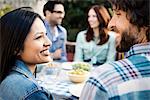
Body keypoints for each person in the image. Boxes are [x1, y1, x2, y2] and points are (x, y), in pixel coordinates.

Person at [80, 0, 150, 100]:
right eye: (89, 16)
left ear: (144, 20)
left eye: (118, 14)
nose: (110, 24)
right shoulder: (81, 36)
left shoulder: (103, 81)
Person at [0, 7, 53, 100]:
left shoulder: (6, 75)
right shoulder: (32, 92)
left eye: (46, 35)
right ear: (16, 48)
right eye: (39, 37)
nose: (48, 42)